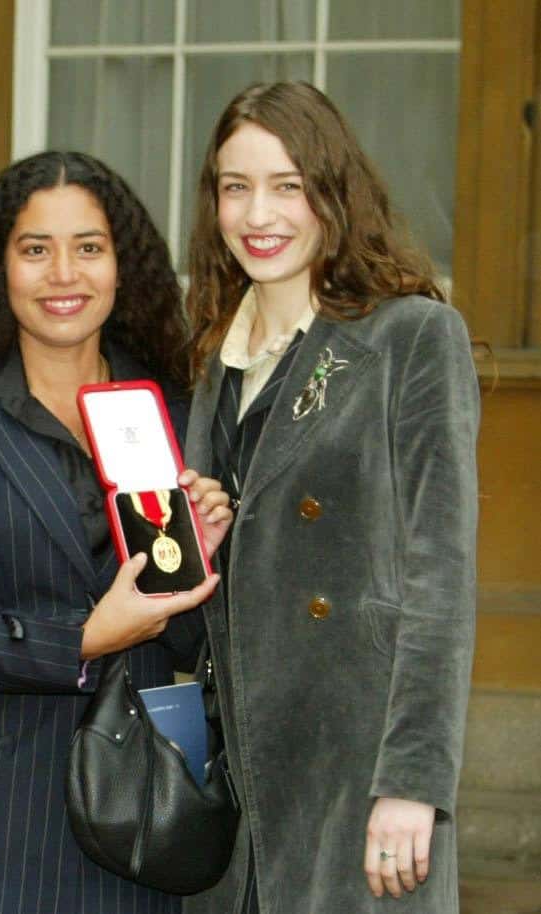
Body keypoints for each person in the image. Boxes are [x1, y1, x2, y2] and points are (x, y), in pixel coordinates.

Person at [0, 151, 231, 914]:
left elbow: (185, 641)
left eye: (88, 247)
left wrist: (203, 556)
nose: (62, 273)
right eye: (35, 249)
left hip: (131, 795)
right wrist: (83, 636)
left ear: (122, 266)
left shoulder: (175, 415)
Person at [181, 82, 479, 914]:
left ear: (332, 192)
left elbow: (439, 580)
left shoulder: (409, 336)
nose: (257, 213)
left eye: (287, 185)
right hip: (240, 778)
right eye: (235, 187)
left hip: (359, 771)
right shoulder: (216, 357)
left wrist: (411, 784)